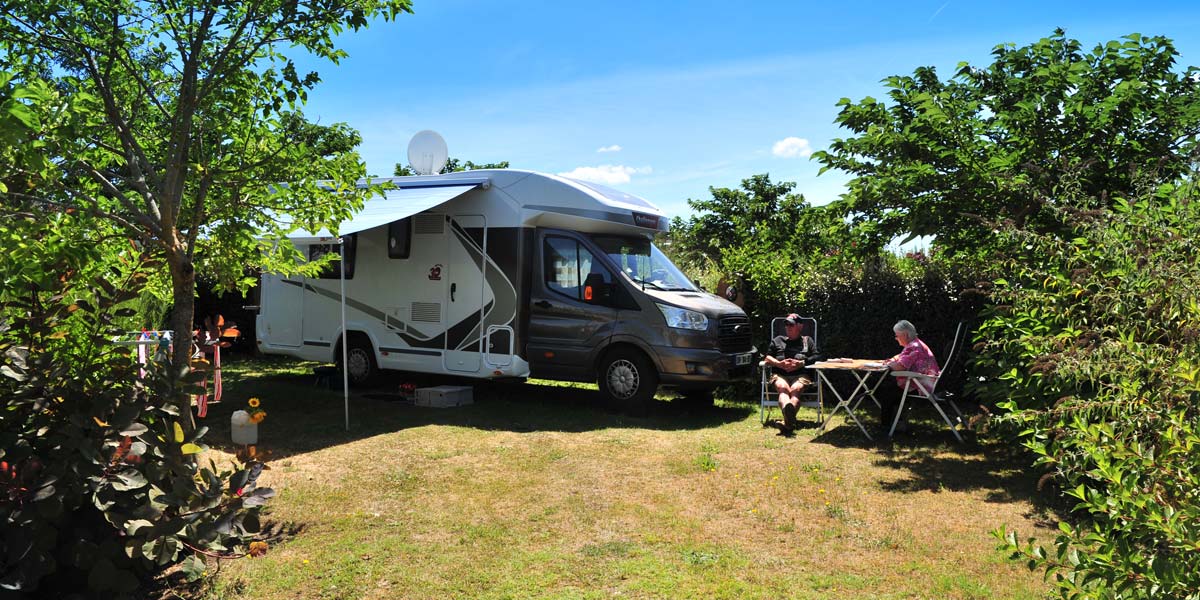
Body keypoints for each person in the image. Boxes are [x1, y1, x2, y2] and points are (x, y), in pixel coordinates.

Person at [879, 320, 940, 434]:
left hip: (922, 388)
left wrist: (890, 364)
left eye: (897, 335)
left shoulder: (913, 347)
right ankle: (898, 422)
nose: (896, 338)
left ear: (905, 335)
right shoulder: (916, 344)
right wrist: (892, 361)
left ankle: (887, 426)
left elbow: (900, 367)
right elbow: (900, 358)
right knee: (890, 390)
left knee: (886, 391)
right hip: (928, 384)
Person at [763, 313, 816, 431]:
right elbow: (767, 358)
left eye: (791, 324)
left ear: (800, 326)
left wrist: (801, 363)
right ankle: (789, 422)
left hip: (801, 375)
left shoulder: (807, 341)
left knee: (795, 390)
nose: (788, 327)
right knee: (783, 388)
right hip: (780, 374)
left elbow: (817, 356)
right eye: (786, 324)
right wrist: (779, 364)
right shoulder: (778, 340)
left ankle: (787, 422)